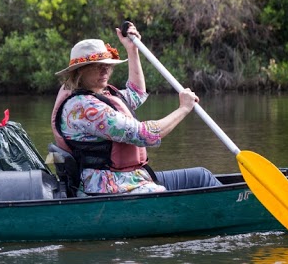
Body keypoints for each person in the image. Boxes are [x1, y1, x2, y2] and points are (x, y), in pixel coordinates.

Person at [50, 24, 221, 195]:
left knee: (202, 177)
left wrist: (132, 50)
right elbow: (144, 135)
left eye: (107, 65)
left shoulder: (102, 94)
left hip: (129, 177)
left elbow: (136, 93)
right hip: (109, 185)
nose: (105, 69)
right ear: (79, 71)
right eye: (97, 65)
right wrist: (183, 109)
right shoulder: (85, 108)